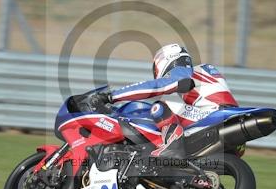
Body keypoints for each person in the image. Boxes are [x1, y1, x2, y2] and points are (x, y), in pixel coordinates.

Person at [95, 43, 239, 160]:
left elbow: (158, 86)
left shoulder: (183, 71)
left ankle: (172, 146)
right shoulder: (202, 71)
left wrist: (112, 96)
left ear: (166, 61)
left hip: (214, 116)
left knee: (160, 106)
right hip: (227, 122)